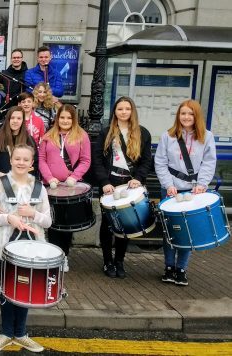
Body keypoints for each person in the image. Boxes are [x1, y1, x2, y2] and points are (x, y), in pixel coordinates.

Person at [0, 144, 50, 353]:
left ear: (32, 164)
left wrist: (33, 214)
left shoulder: (39, 187)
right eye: (17, 159)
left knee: (26, 289)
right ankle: (6, 332)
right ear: (11, 160)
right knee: (6, 289)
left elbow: (48, 221)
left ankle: (21, 333)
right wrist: (8, 217)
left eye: (25, 160)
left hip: (31, 246)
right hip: (5, 244)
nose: (21, 163)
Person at [155, 99, 216, 286]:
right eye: (183, 113)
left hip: (193, 190)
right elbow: (160, 162)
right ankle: (168, 267)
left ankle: (181, 268)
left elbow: (209, 162)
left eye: (190, 114)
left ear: (196, 116)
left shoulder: (207, 136)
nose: (186, 117)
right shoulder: (168, 136)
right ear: (178, 115)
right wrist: (168, 184)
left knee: (187, 232)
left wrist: (202, 184)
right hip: (171, 190)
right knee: (169, 231)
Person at [92, 96, 152, 279]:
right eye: (120, 109)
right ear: (115, 111)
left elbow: (147, 160)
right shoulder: (106, 133)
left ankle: (119, 261)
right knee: (107, 224)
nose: (124, 112)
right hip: (110, 184)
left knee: (125, 225)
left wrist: (139, 178)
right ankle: (107, 261)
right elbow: (97, 160)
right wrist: (104, 182)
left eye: (127, 109)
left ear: (132, 111)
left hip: (130, 184)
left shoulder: (143, 133)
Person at [38, 104, 91, 271]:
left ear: (73, 119)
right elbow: (42, 160)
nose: (65, 120)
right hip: (51, 187)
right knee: (53, 224)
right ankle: (53, 257)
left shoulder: (82, 136)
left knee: (67, 225)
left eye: (69, 118)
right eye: (62, 117)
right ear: (57, 118)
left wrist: (74, 177)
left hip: (71, 188)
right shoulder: (48, 136)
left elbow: (85, 160)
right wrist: (49, 177)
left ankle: (64, 257)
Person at [0, 106, 37, 183]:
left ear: (23, 121)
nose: (15, 121)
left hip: (22, 184)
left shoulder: (29, 141)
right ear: (8, 119)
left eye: (19, 118)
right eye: (12, 118)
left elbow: (35, 163)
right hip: (0, 183)